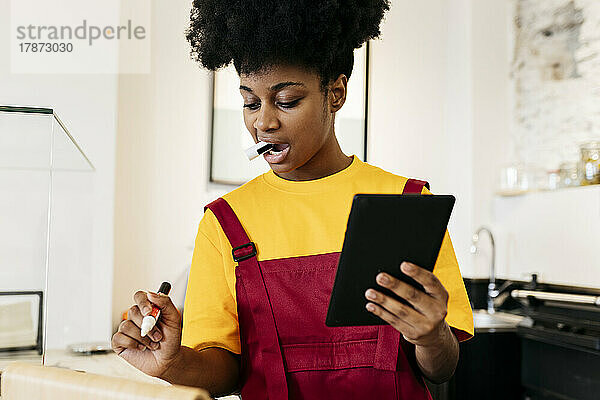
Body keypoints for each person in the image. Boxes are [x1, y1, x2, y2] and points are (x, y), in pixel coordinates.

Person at [111, 0, 474, 398]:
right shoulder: (225, 221)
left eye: (286, 101)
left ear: (335, 93)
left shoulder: (406, 202)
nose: (263, 123)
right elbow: (225, 371)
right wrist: (174, 363)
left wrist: (433, 335)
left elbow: (442, 368)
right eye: (250, 103)